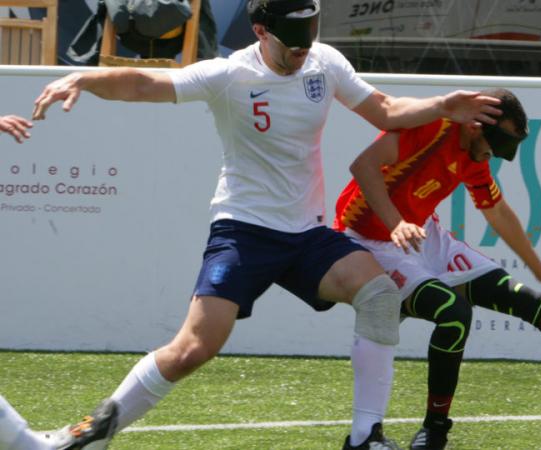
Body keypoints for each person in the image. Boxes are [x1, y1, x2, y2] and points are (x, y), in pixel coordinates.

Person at [29, 1, 501, 449]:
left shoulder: (324, 63)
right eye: (292, 43)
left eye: (308, 38)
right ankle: (95, 429)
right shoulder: (230, 74)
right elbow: (145, 84)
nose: (302, 51)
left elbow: (384, 110)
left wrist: (442, 104)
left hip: (307, 235)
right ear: (260, 32)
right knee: (193, 348)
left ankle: (364, 437)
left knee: (378, 295)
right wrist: (87, 78)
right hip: (244, 231)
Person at [333, 88, 541, 449]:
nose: (490, 159)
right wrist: (396, 222)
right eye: (492, 149)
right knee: (454, 313)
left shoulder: (473, 154)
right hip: (368, 240)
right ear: (476, 128)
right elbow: (363, 166)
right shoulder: (430, 128)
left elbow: (498, 213)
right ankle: (434, 430)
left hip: (422, 233)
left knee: (525, 300)